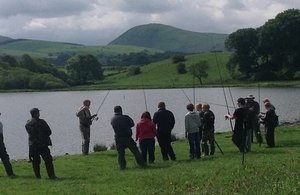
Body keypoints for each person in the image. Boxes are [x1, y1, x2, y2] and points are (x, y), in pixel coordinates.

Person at [25, 108, 57, 179]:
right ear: (36, 113)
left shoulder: (27, 123)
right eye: (38, 112)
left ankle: (38, 176)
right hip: (42, 144)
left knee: (35, 162)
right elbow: (49, 132)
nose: (39, 114)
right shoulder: (42, 122)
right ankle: (51, 175)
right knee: (48, 160)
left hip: (33, 145)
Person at [0, 113, 15, 178]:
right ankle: (10, 173)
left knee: (5, 158)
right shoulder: (0, 123)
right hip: (0, 144)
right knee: (5, 158)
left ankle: (10, 173)